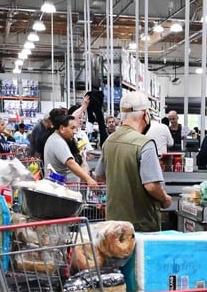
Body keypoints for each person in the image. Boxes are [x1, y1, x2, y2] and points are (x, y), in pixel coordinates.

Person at [98, 91, 172, 232]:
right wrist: (165, 199)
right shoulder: (145, 143)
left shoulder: (109, 140)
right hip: (140, 224)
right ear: (145, 114)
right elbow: (151, 186)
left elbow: (100, 176)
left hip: (113, 223)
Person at [43, 114, 98, 186]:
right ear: (62, 128)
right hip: (61, 189)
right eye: (72, 128)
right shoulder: (58, 142)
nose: (74, 131)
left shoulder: (56, 139)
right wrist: (88, 179)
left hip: (60, 186)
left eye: (75, 128)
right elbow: (70, 163)